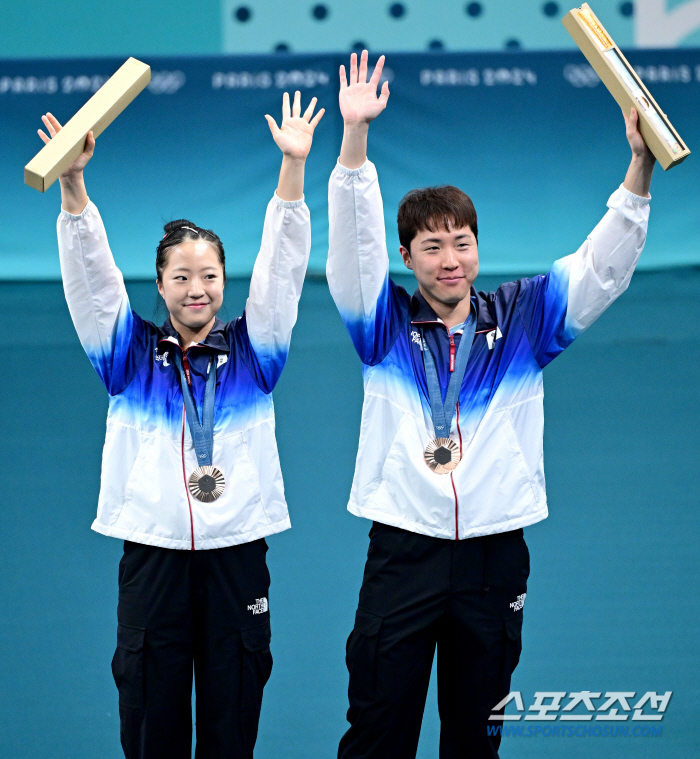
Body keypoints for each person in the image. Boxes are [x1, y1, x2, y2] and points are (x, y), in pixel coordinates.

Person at [326, 51, 654, 759]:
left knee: (476, 739)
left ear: (478, 247)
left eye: (462, 243)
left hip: (495, 556)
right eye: (433, 247)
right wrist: (355, 142)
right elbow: (350, 251)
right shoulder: (381, 327)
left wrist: (639, 171)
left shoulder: (526, 317)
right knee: (379, 730)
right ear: (408, 257)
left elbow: (603, 266)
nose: (451, 260)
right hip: (404, 550)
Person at [37, 90, 324, 759]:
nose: (198, 288)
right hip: (153, 558)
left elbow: (283, 268)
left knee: (230, 733)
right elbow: (92, 280)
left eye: (211, 275)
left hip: (237, 558)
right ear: (160, 286)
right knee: (151, 730)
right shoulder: (128, 355)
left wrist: (292, 170)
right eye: (182, 277)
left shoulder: (256, 353)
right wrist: (73, 183)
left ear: (225, 283)